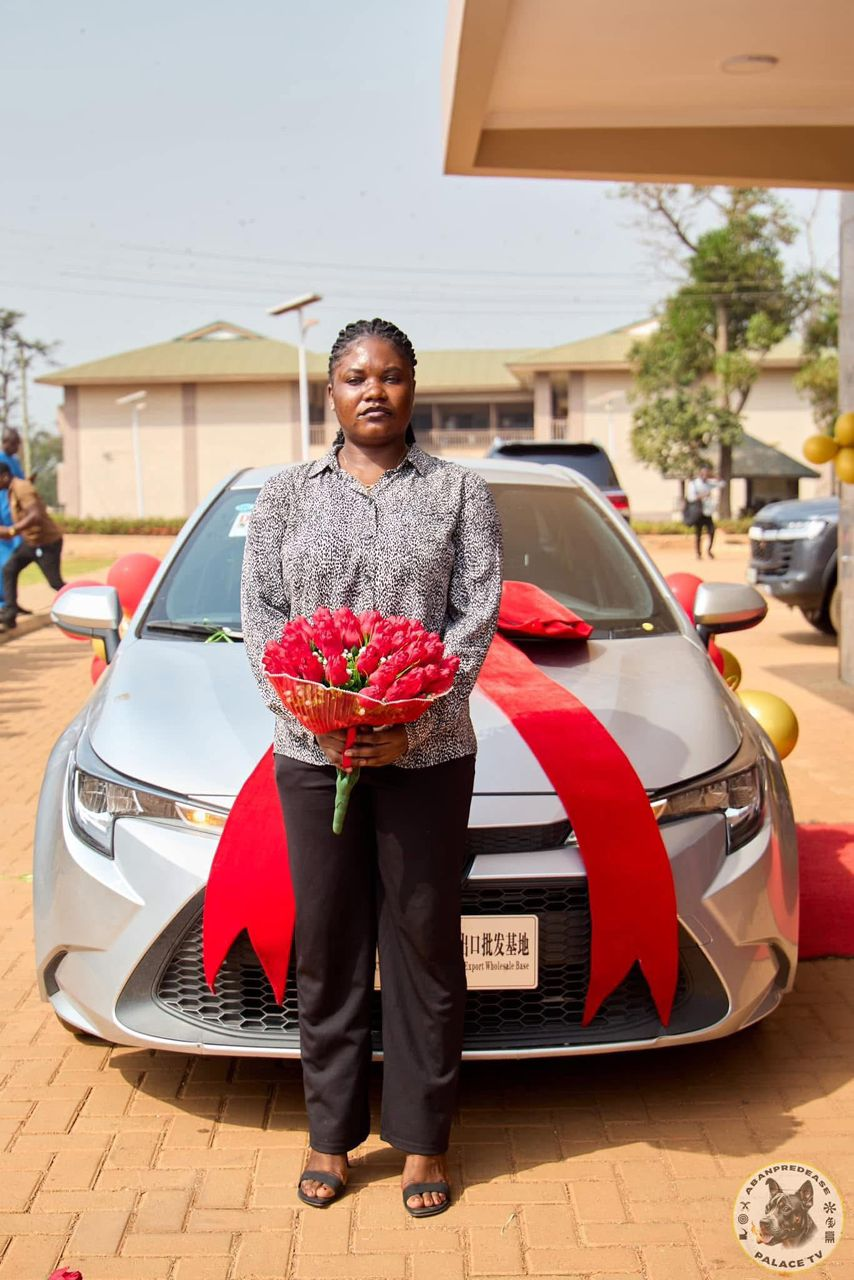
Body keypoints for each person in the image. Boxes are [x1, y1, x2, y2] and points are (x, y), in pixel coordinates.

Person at [241, 318, 503, 1217]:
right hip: (313, 756)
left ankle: (424, 1139)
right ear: (332, 392)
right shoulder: (283, 497)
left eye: (391, 376)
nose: (374, 392)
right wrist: (316, 717)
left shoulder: (461, 494)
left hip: (426, 757)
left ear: (414, 389)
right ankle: (330, 1133)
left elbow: (474, 616)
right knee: (330, 945)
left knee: (425, 944)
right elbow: (264, 622)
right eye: (356, 376)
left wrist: (411, 724)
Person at [0, 462, 65, 631]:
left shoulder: (21, 488)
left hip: (47, 543)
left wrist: (13, 530)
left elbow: (35, 515)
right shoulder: (12, 490)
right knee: (9, 569)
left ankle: (86, 604)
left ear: (4, 476)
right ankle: (9, 615)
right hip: (31, 543)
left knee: (55, 583)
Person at [0, 429, 25, 613]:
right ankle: (5, 603)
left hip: (15, 514)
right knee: (5, 563)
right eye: (14, 443)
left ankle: (11, 602)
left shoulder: (14, 461)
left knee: (12, 564)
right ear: (6, 442)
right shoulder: (2, 459)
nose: (17, 447)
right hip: (4, 512)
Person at [686, 465, 724, 560]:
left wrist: (715, 477)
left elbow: (722, 484)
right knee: (698, 533)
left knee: (711, 531)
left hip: (707, 512)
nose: (705, 476)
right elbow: (691, 497)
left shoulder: (709, 483)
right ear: (700, 474)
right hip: (698, 512)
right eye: (704, 473)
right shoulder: (694, 484)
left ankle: (709, 550)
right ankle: (698, 553)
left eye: (707, 474)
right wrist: (703, 495)